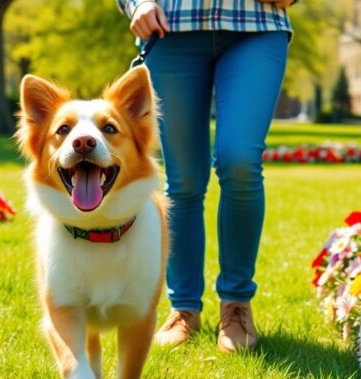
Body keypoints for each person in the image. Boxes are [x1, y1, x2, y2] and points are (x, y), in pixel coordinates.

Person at [118, 0, 295, 352]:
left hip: (256, 25)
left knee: (240, 161)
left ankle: (236, 305)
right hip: (171, 27)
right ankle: (183, 308)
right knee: (183, 180)